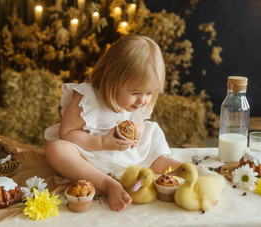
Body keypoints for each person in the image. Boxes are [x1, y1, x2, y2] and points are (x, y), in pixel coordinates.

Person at [44, 35, 181, 211]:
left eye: (149, 93)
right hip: (91, 154)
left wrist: (137, 133)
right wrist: (101, 143)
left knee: (151, 129)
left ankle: (166, 163)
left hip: (125, 151)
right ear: (111, 79)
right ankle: (107, 184)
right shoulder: (88, 98)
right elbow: (67, 132)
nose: (143, 100)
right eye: (136, 92)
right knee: (56, 149)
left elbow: (139, 122)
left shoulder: (139, 102)